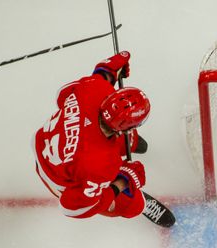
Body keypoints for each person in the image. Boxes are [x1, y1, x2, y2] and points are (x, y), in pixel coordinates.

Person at [33, 51, 175, 226]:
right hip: (57, 176)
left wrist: (106, 71)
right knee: (133, 205)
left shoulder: (95, 87)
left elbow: (62, 96)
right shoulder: (103, 166)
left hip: (49, 143)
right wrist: (122, 182)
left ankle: (127, 145)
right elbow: (72, 207)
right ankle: (135, 202)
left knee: (118, 143)